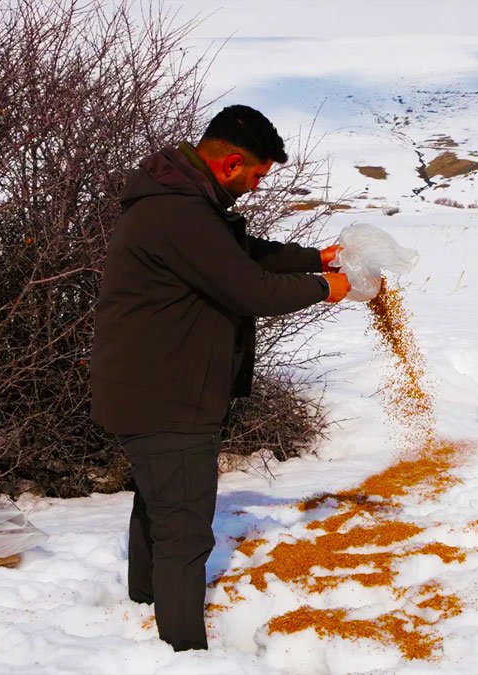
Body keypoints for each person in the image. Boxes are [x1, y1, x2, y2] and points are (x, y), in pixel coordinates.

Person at [90, 105, 349, 651]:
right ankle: (182, 652)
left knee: (158, 502)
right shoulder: (180, 213)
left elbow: (242, 255)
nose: (255, 188)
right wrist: (327, 288)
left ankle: (143, 606)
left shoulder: (182, 201)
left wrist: (314, 257)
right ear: (232, 163)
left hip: (149, 387)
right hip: (167, 395)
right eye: (256, 177)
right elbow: (250, 287)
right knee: (184, 530)